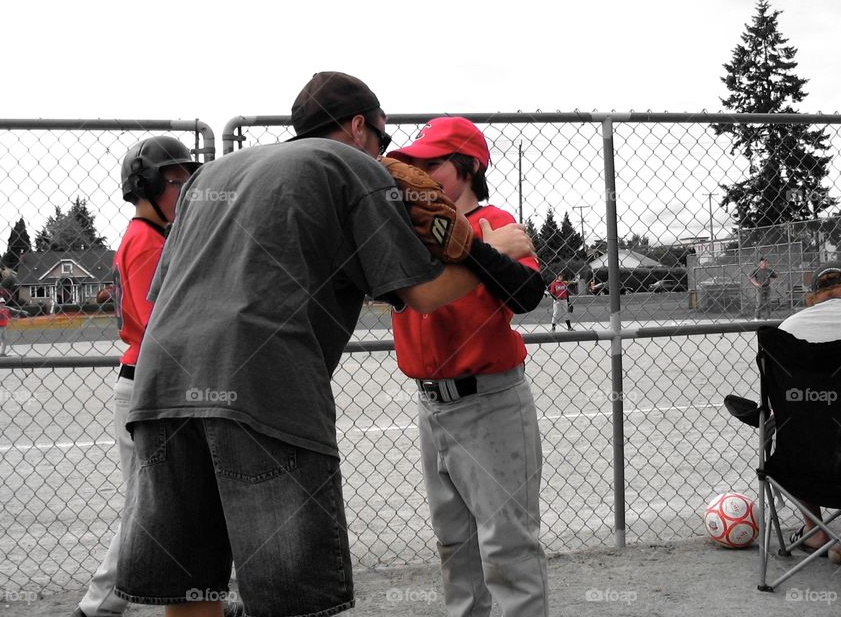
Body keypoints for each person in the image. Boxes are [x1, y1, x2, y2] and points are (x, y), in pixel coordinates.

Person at [114, 72, 537, 617]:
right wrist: (488, 246)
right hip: (262, 390)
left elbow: (162, 290)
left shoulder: (210, 177)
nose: (387, 159)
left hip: (161, 387)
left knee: (192, 589)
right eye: (384, 142)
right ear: (361, 127)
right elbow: (426, 292)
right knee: (291, 596)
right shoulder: (352, 167)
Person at [386, 116, 549, 617]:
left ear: (469, 166)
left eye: (433, 163)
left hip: (490, 401)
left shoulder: (493, 220)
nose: (419, 172)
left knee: (506, 548)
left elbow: (527, 295)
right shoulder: (405, 234)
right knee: (453, 546)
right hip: (430, 404)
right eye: (415, 163)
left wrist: (477, 248)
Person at [74, 136, 219, 617]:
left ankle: (182, 596)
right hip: (150, 384)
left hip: (154, 381)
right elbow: (165, 322)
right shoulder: (145, 241)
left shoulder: (158, 237)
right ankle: (98, 607)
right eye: (177, 181)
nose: (185, 191)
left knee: (157, 508)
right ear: (147, 184)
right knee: (149, 509)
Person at [777, 260, 841, 565]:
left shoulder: (787, 331)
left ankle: (814, 531)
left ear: (815, 296)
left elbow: (778, 410)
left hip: (807, 469)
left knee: (797, 429)